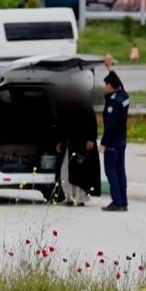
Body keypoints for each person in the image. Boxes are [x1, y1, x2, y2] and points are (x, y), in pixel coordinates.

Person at [55, 75, 101, 206]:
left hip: (80, 144)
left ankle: (79, 197)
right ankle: (69, 196)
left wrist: (91, 139)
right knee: (65, 170)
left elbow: (92, 123)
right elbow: (61, 124)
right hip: (68, 143)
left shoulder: (84, 104)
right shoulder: (66, 105)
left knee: (79, 171)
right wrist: (59, 141)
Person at [100, 54, 130, 212]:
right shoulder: (123, 96)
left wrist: (104, 143)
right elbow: (120, 84)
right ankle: (123, 201)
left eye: (106, 85)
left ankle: (117, 201)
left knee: (111, 171)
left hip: (112, 142)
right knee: (120, 171)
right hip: (122, 140)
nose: (105, 88)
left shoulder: (112, 102)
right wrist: (109, 67)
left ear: (111, 86)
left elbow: (110, 125)